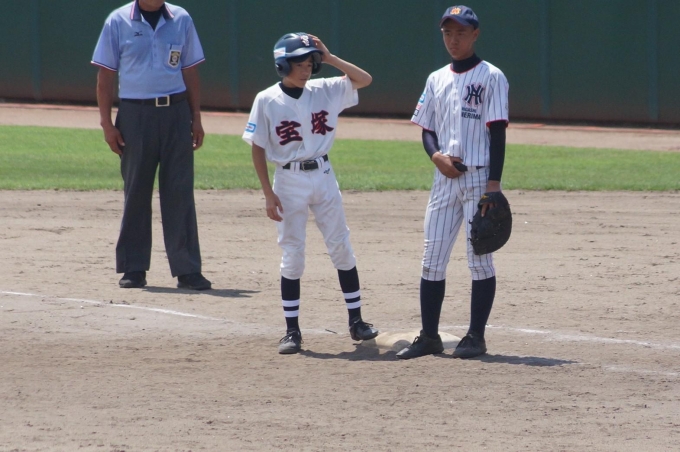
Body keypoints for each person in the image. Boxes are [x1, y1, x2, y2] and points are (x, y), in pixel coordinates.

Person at [243, 32, 379, 354]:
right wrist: (268, 193)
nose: (306, 69)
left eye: (309, 63)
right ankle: (292, 331)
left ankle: (356, 321)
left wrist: (330, 58)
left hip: (324, 175)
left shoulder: (325, 89)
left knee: (341, 246)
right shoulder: (266, 100)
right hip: (288, 181)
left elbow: (364, 79)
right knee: (293, 254)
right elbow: (257, 147)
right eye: (299, 64)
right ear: (282, 65)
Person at [397, 6, 510, 359]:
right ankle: (429, 336)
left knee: (479, 260)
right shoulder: (436, 79)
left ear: (475, 34)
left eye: (461, 32)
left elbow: (498, 133)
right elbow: (427, 128)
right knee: (431, 258)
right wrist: (436, 157)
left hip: (479, 178)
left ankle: (476, 337)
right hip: (443, 179)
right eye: (448, 32)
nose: (453, 39)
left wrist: (494, 186)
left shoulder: (492, 76)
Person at [91, 0, 211, 291]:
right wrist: (107, 124)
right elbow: (105, 76)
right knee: (136, 191)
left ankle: (187, 269)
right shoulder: (118, 20)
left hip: (176, 111)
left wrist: (196, 117)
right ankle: (133, 268)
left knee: (180, 191)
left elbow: (190, 71)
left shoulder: (181, 18)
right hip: (136, 113)